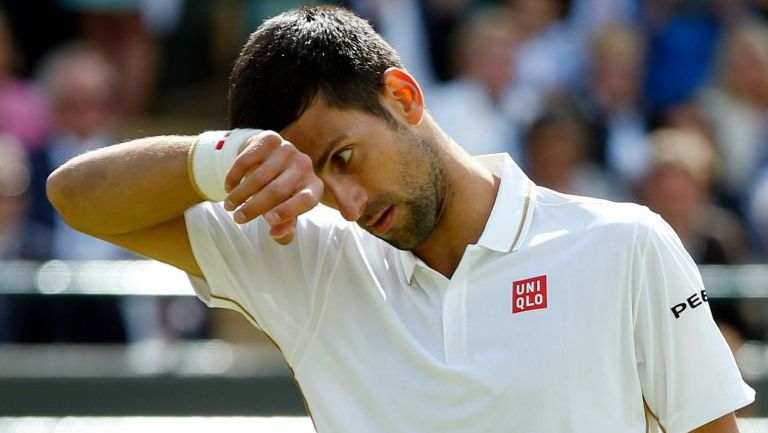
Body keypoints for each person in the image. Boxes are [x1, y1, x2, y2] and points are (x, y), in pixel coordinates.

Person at [47, 5, 753, 433]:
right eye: (318, 178)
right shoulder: (310, 257)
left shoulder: (626, 243)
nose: (347, 203)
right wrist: (219, 158)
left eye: (346, 155)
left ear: (403, 96)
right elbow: (75, 195)